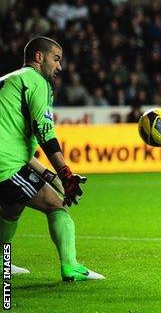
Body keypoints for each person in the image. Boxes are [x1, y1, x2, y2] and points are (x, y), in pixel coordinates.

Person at [0, 36, 105, 282]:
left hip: (8, 160)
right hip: (5, 165)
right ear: (39, 57)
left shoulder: (10, 80)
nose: (60, 66)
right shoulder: (36, 82)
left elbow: (13, 143)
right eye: (56, 59)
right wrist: (66, 175)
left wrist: (48, 173)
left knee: (12, 208)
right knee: (57, 205)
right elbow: (45, 134)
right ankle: (71, 267)